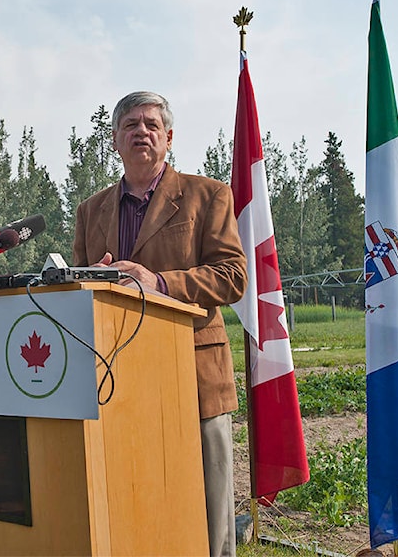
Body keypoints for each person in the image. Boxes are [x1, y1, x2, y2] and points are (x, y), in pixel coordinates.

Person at [72, 91, 247, 557]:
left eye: (151, 124)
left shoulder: (208, 195)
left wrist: (159, 284)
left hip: (193, 373)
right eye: (130, 125)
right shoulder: (90, 211)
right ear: (114, 141)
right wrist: (95, 280)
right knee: (137, 498)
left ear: (168, 137)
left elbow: (233, 277)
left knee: (209, 506)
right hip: (117, 380)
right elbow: (76, 292)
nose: (141, 132)